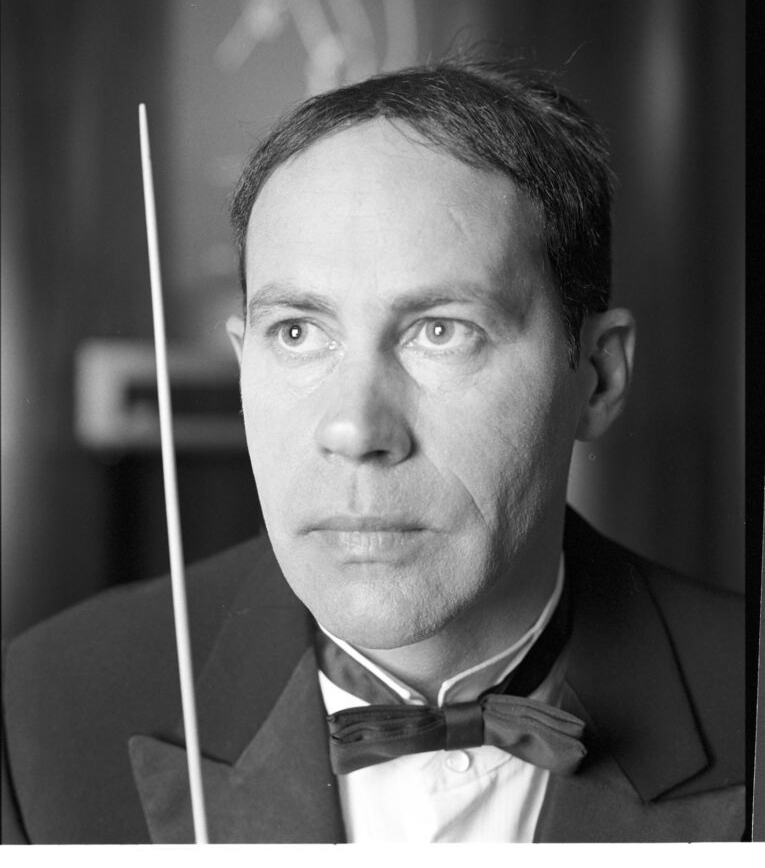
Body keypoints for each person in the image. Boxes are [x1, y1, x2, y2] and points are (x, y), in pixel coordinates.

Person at [2, 58, 745, 843]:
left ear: (596, 376)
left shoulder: (746, 700)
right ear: (243, 354)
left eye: (440, 331)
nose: (357, 430)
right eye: (297, 332)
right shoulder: (40, 711)